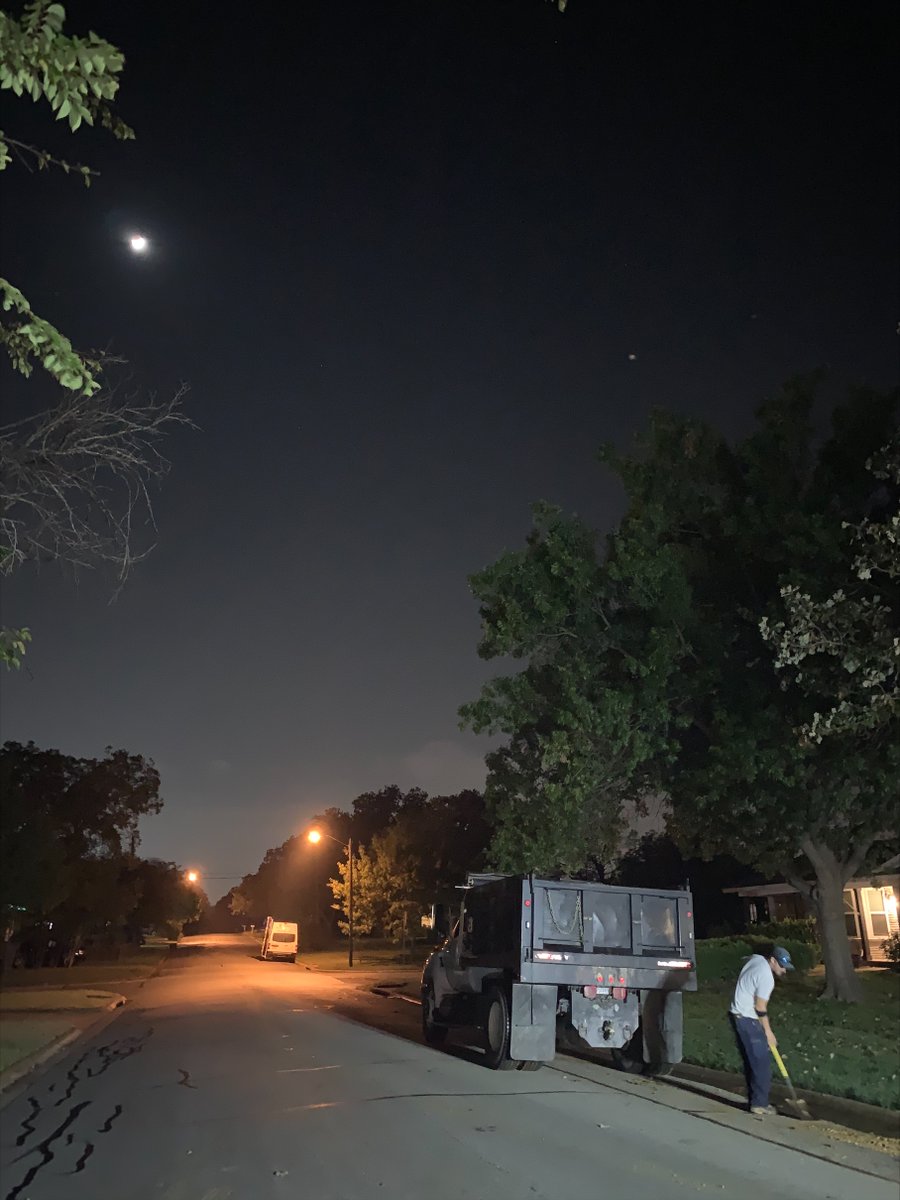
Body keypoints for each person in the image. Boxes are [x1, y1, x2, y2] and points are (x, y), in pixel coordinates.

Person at [729, 943, 794, 1115]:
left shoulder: (757, 960)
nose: (784, 970)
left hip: (737, 1015)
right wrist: (768, 1032)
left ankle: (754, 1100)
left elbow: (747, 959)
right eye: (781, 966)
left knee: (752, 1062)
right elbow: (760, 1008)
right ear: (772, 961)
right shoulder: (767, 978)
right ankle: (760, 1104)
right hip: (748, 1019)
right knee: (762, 1063)